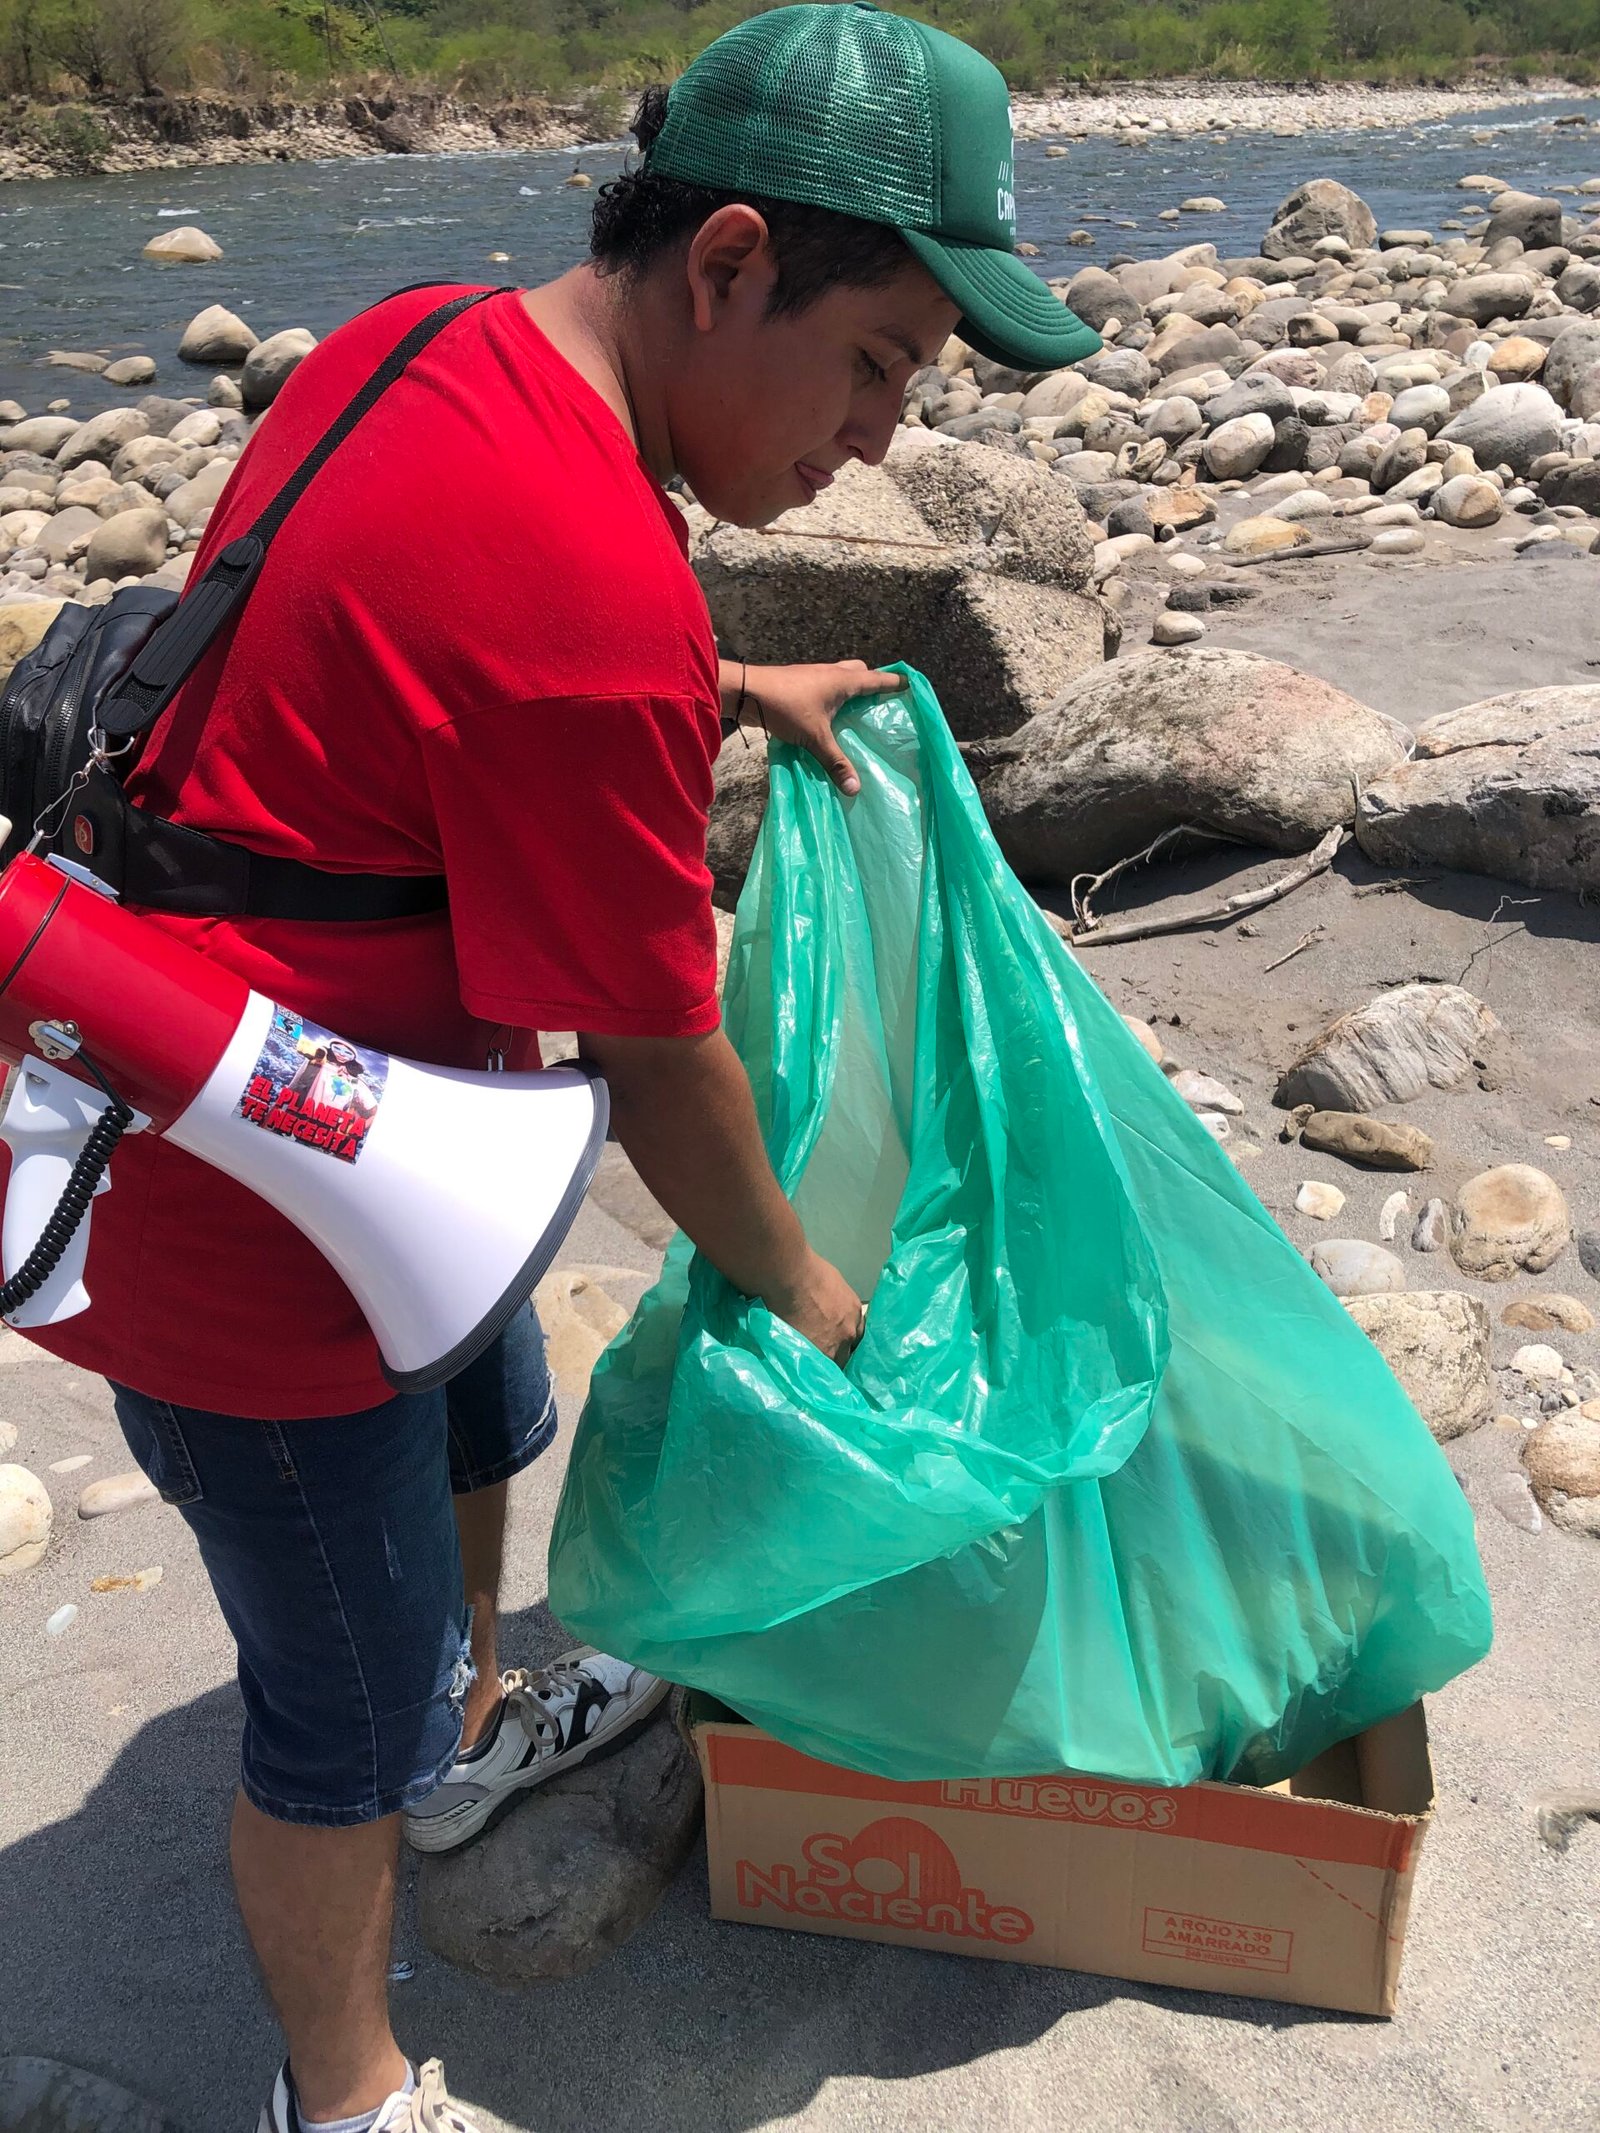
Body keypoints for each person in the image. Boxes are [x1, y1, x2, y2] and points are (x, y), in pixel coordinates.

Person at [25, 5, 1097, 2128]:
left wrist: (711, 670)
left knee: (488, 1400)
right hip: (255, 1230)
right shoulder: (584, 577)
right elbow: (656, 1042)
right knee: (322, 1717)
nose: (879, 435)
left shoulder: (417, 339)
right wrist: (802, 1287)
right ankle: (344, 2086)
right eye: (875, 358)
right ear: (722, 267)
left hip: (393, 1146)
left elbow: (415, 630)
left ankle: (465, 1735)